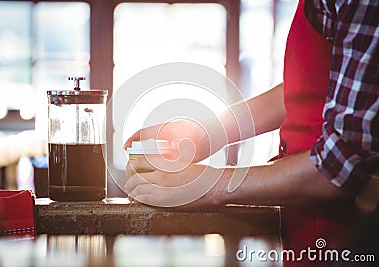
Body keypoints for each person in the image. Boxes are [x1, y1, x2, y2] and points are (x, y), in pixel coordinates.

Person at [124, 0, 379, 265]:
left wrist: (210, 185)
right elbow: (318, 85)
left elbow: (340, 165)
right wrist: (209, 131)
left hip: (352, 244)